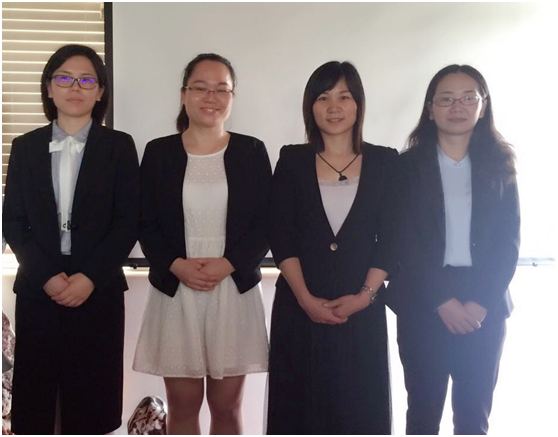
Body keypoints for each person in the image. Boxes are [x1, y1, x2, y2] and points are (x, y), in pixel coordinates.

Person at [2, 44, 140, 434]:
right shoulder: (25, 146)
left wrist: (90, 277)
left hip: (98, 290)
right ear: (49, 88)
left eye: (86, 80)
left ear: (100, 91)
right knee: (37, 405)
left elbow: (128, 221)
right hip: (39, 289)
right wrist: (46, 275)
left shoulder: (119, 146)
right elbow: (13, 221)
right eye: (64, 78)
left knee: (92, 405)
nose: (75, 87)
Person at [133, 53, 270, 435]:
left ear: (232, 96)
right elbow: (144, 220)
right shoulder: (159, 152)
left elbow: (266, 222)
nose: (211, 97)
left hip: (233, 289)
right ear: (184, 94)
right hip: (177, 291)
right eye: (201, 88)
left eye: (221, 89)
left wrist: (229, 263)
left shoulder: (251, 151)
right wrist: (176, 264)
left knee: (227, 409)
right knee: (182, 408)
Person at [386, 64, 520, 435]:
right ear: (430, 109)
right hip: (423, 303)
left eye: (467, 98)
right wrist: (441, 300)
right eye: (446, 99)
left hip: (484, 307)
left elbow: (508, 242)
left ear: (483, 106)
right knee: (423, 416)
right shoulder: (405, 166)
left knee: (473, 419)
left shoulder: (500, 163)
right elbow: (403, 239)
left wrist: (480, 303)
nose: (457, 106)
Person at [266, 61, 398, 435]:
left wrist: (365, 296)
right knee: (299, 414)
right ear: (310, 106)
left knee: (360, 414)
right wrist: (305, 298)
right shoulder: (292, 159)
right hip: (299, 308)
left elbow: (392, 238)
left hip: (361, 309)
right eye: (323, 97)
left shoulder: (386, 161)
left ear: (359, 104)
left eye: (344, 97)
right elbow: (281, 235)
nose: (334, 107)